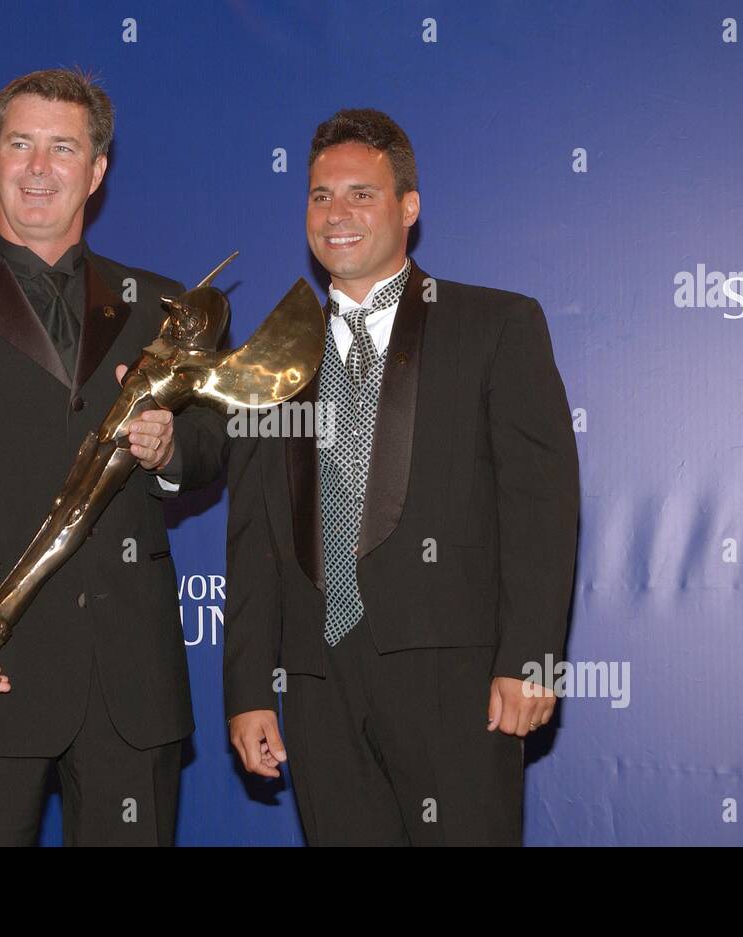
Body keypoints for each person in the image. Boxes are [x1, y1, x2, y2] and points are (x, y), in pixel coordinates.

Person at [0, 68, 225, 846]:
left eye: (63, 148)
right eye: (20, 144)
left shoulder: (163, 307)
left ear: (96, 172)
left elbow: (213, 446)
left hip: (130, 684)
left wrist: (167, 448)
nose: (38, 166)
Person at [224, 108, 579, 845]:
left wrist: (533, 659)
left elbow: (541, 508)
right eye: (321, 196)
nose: (337, 214)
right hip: (319, 689)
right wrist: (250, 688)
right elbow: (255, 531)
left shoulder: (495, 325)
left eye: (362, 193)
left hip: (458, 685)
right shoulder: (278, 352)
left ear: (408, 207)